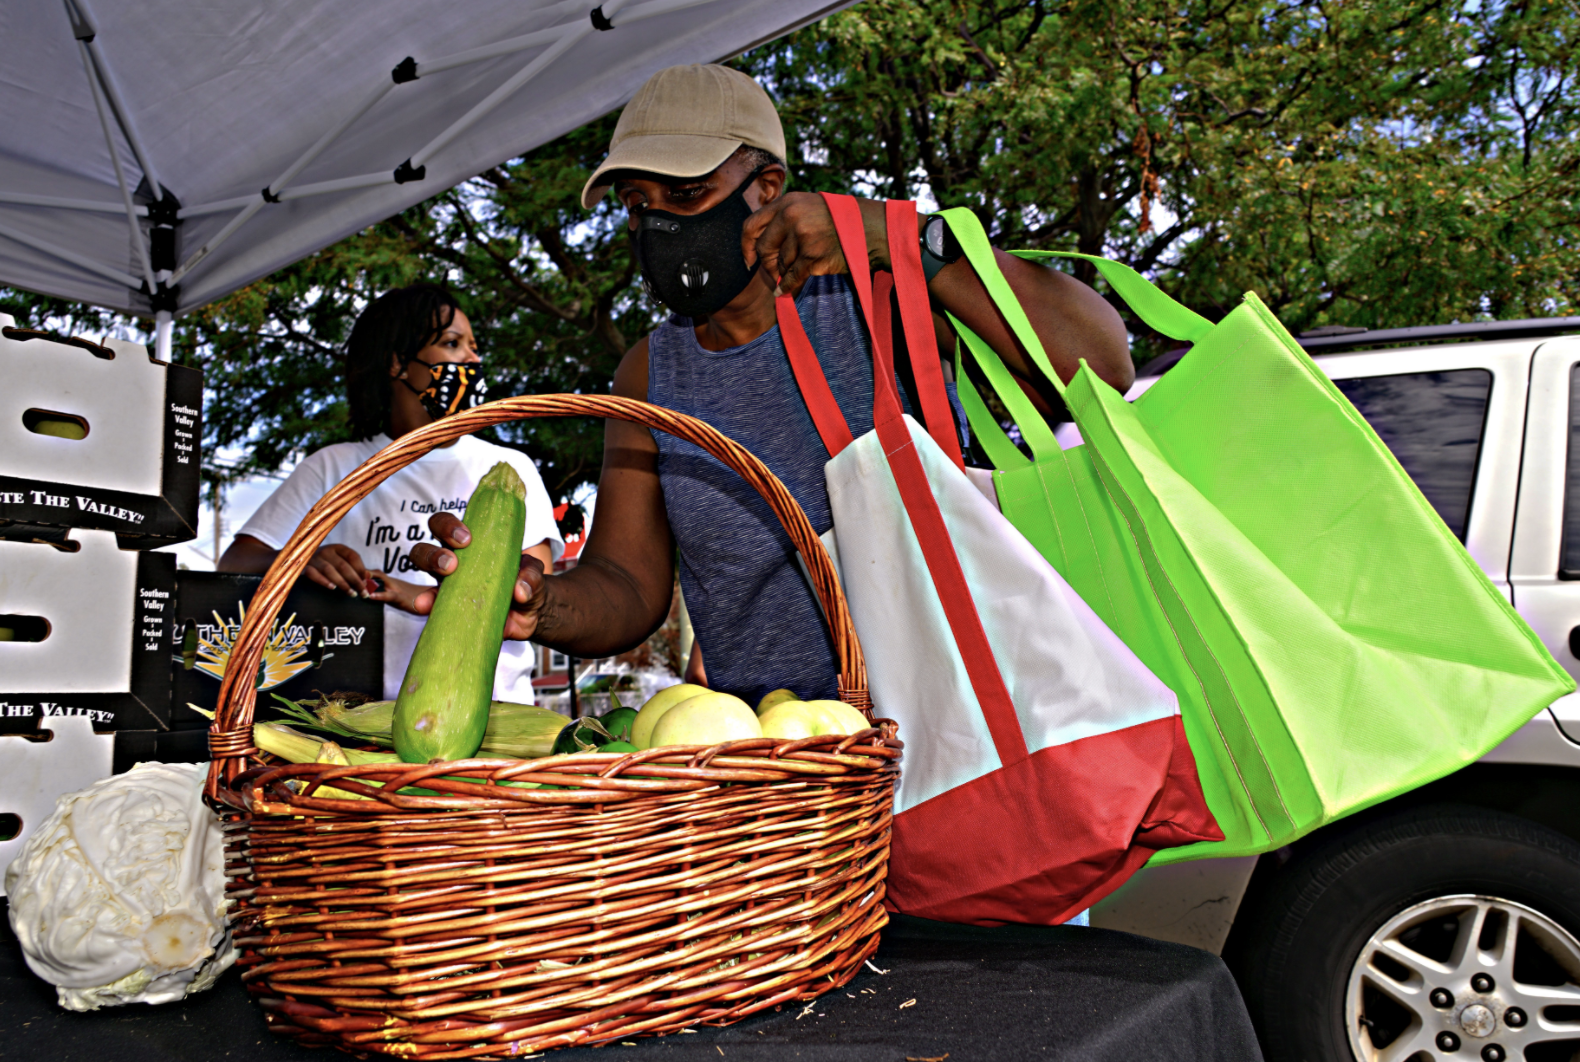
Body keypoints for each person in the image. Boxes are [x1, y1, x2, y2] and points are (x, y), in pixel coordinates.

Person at [404, 64, 1132, 706]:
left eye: (686, 193)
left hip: (966, 726)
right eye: (637, 204)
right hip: (789, 773)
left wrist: (897, 237)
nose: (659, 224)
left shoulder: (877, 296)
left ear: (769, 189)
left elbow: (1099, 367)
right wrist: (539, 605)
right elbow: (627, 586)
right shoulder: (649, 374)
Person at [218, 283, 563, 702]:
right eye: (453, 344)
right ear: (398, 363)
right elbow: (234, 565)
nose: (473, 360)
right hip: (354, 724)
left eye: (474, 347)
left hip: (494, 714)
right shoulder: (333, 467)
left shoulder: (508, 471)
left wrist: (413, 595)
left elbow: (528, 591)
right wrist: (300, 560)